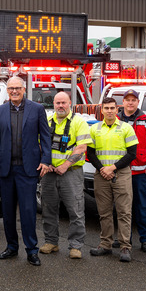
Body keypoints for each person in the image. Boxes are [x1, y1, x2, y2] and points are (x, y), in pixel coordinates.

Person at [0, 76, 51, 266]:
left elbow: (45, 136)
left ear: (24, 89)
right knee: (7, 212)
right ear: (7, 91)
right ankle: (11, 247)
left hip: (28, 169)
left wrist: (46, 160)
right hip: (7, 169)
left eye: (17, 88)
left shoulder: (37, 109)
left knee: (28, 210)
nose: (14, 91)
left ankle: (32, 250)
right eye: (10, 89)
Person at [39, 91, 92, 259]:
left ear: (70, 103)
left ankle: (76, 246)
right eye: (57, 103)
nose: (60, 106)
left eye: (64, 103)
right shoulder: (47, 121)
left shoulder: (79, 122)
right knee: (48, 208)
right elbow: (39, 144)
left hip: (71, 172)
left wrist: (65, 165)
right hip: (49, 173)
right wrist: (46, 164)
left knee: (75, 209)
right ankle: (51, 242)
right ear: (53, 104)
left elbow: (82, 147)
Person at [87, 97, 138, 262]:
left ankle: (124, 246)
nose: (109, 111)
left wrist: (112, 168)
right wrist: (102, 169)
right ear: (101, 110)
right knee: (104, 212)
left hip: (121, 174)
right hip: (101, 175)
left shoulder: (126, 128)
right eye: (106, 108)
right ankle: (106, 244)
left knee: (124, 212)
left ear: (117, 110)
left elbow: (132, 154)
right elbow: (91, 153)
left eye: (112, 108)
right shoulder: (95, 128)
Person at [118, 89, 146, 253]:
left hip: (140, 173)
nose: (130, 103)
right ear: (123, 102)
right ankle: (123, 239)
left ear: (137, 102)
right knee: (122, 208)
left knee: (142, 207)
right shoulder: (116, 120)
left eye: (133, 100)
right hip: (121, 171)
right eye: (127, 100)